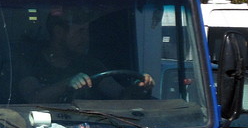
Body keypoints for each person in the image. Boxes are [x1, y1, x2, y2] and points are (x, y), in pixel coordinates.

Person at [18, 13, 153, 103]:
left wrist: (138, 88)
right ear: (59, 32)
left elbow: (119, 95)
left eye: (87, 31)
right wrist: (67, 84)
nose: (86, 38)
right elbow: (32, 97)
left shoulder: (90, 64)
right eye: (80, 31)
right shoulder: (31, 61)